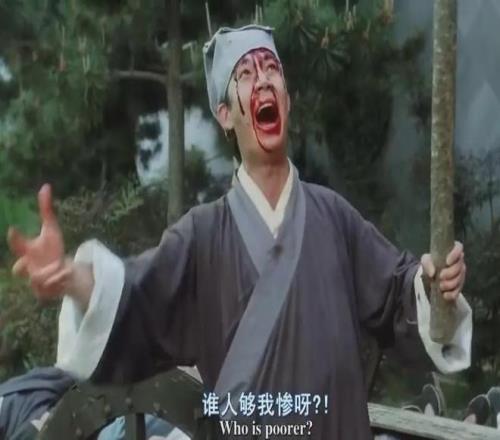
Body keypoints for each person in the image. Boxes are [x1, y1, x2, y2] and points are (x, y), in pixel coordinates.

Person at [6, 25, 472, 439]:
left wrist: (435, 286)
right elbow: (139, 297)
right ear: (226, 115)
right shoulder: (203, 235)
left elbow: (397, 293)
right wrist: (74, 278)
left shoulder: (334, 217)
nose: (263, 79)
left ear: (286, 100)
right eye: (246, 74)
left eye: (271, 69)